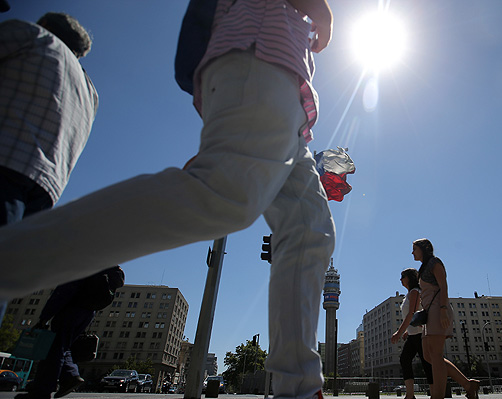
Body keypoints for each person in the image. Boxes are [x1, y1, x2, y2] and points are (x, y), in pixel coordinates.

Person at [0, 1, 336, 398]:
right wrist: (324, 14)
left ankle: (298, 388)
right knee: (223, 194)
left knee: (309, 230)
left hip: (284, 91)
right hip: (259, 54)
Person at [0, 11, 98, 322]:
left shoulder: (33, 37)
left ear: (45, 26)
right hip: (43, 189)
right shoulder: (90, 90)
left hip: (5, 162)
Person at [16, 266, 124, 399]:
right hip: (88, 312)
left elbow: (64, 290)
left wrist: (45, 317)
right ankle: (69, 376)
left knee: (54, 349)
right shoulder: (105, 265)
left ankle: (43, 390)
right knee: (62, 347)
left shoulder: (81, 263)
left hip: (71, 309)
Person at [412, 239, 479, 399]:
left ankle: (438, 396)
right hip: (429, 313)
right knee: (429, 356)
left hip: (438, 309)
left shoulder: (435, 262)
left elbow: (443, 286)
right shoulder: (423, 268)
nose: (412, 252)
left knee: (435, 354)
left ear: (424, 249)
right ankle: (469, 385)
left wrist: (442, 310)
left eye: (414, 249)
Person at [390, 268, 433, 399]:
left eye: (403, 277)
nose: (400, 280)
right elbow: (413, 316)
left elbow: (412, 313)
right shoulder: (409, 294)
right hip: (414, 334)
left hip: (421, 334)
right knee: (405, 359)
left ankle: (434, 392)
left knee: (427, 362)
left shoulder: (415, 292)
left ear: (409, 278)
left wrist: (399, 332)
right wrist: (408, 331)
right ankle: (410, 394)